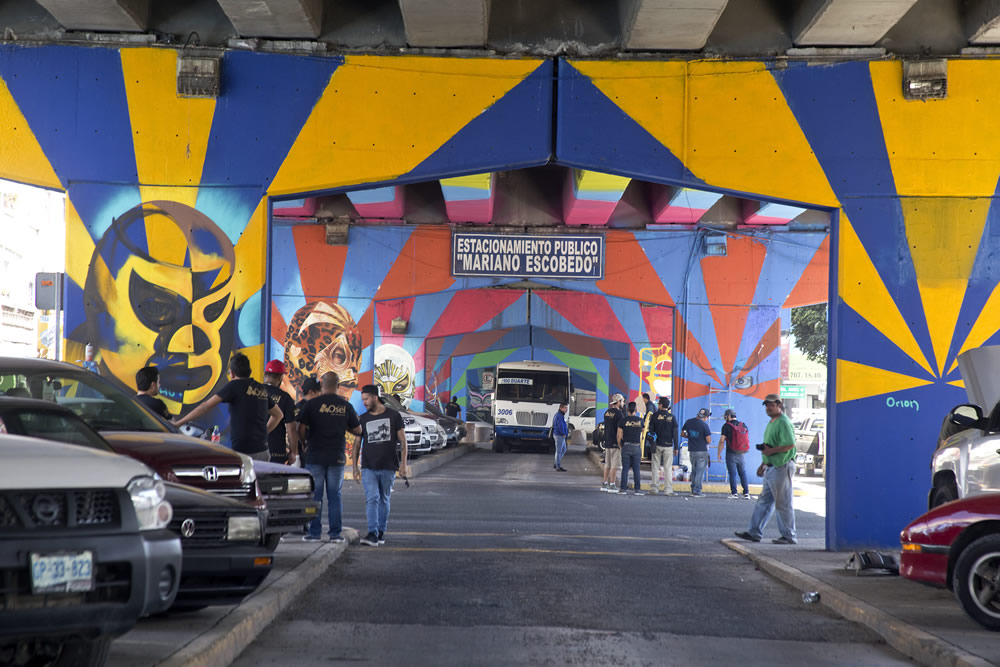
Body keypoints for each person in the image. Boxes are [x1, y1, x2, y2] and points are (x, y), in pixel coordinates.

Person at [174, 353, 282, 460]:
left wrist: (179, 423)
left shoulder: (235, 385)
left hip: (244, 453)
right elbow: (278, 415)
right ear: (249, 371)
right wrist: (264, 433)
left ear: (232, 373)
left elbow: (205, 406)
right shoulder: (260, 388)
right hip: (263, 451)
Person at [297, 372, 361, 543]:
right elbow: (358, 430)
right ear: (338, 385)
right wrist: (342, 425)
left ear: (321, 385)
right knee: (335, 496)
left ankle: (314, 533)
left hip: (315, 455)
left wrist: (304, 444)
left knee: (315, 496)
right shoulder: (345, 405)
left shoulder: (311, 405)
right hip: (337, 457)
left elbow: (300, 429)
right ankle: (335, 534)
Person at [734, 394, 798, 545]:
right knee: (764, 502)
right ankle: (754, 532)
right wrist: (763, 464)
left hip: (781, 466)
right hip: (772, 467)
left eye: (772, 405)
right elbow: (770, 445)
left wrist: (771, 452)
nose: (768, 408)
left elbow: (790, 444)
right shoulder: (772, 422)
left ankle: (789, 536)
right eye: (766, 405)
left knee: (782, 502)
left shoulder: (783, 422)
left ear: (779, 405)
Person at [354, 385, 408, 547]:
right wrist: (355, 466)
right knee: (372, 498)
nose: (364, 402)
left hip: (388, 465)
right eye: (362, 399)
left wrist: (403, 464)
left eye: (366, 399)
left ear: (375, 398)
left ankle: (381, 532)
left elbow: (403, 441)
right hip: (368, 466)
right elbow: (357, 443)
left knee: (384, 499)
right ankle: (372, 533)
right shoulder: (363, 418)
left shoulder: (394, 416)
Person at [262, 360, 299, 465]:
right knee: (275, 481)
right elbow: (291, 428)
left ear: (265, 374)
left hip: (255, 448)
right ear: (281, 378)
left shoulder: (254, 392)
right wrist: (293, 452)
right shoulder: (285, 397)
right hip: (276, 451)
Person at [718, 408, 751, 499]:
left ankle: (734, 493)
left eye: (725, 417)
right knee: (742, 473)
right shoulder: (743, 425)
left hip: (730, 453)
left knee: (732, 473)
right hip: (741, 453)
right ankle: (746, 493)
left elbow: (722, 440)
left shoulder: (726, 426)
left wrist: (719, 453)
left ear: (728, 416)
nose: (725, 419)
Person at [649, 397, 678, 495]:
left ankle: (654, 488)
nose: (657, 405)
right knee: (668, 468)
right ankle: (668, 489)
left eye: (658, 404)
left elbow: (651, 430)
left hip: (657, 444)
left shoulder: (655, 416)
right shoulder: (672, 417)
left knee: (655, 467)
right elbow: (675, 433)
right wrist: (676, 447)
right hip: (668, 445)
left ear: (661, 405)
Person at [681, 408, 713, 497]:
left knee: (694, 470)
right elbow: (709, 440)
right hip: (702, 451)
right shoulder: (704, 425)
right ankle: (697, 491)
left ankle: (693, 489)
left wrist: (691, 436)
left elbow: (682, 434)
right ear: (706, 417)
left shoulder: (688, 422)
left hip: (692, 450)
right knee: (700, 472)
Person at [617, 401, 645, 495]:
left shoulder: (623, 421)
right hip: (637, 447)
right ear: (636, 410)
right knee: (636, 469)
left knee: (625, 468)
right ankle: (637, 490)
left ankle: (623, 489)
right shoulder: (640, 421)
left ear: (628, 410)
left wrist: (620, 445)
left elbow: (619, 435)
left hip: (626, 446)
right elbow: (643, 434)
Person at [601, 393, 625, 492]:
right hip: (615, 442)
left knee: (607, 464)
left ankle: (605, 483)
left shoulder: (606, 412)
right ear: (618, 402)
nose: (623, 403)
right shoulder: (619, 414)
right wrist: (620, 444)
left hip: (607, 442)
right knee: (614, 465)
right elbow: (620, 431)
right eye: (622, 401)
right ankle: (612, 484)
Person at [552, 402, 569, 472]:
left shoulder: (559, 415)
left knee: (563, 450)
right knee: (559, 451)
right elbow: (560, 426)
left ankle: (556, 463)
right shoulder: (559, 416)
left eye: (567, 408)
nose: (566, 409)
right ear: (560, 408)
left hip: (560, 435)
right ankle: (558, 466)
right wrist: (563, 433)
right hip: (559, 435)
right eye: (565, 408)